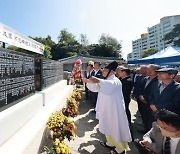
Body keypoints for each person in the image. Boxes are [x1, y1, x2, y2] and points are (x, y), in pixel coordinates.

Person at [83, 61, 132, 154]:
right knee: (107, 126)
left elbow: (107, 87)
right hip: (107, 109)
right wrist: (88, 82)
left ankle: (120, 149)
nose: (103, 72)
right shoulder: (107, 81)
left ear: (112, 72)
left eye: (105, 70)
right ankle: (110, 142)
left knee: (115, 128)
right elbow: (96, 88)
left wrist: (98, 80)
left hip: (114, 110)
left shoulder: (115, 81)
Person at [138, 64, 160, 133]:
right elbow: (140, 88)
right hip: (143, 102)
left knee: (151, 119)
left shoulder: (158, 81)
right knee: (145, 117)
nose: (149, 71)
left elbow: (155, 93)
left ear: (156, 71)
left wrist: (146, 99)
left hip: (151, 103)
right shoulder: (145, 79)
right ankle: (146, 129)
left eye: (151, 70)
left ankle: (151, 134)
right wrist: (140, 96)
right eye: (148, 69)